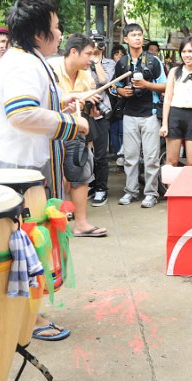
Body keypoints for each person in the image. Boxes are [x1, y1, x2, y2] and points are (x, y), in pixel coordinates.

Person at [0, 0, 87, 342]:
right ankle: (26, 316)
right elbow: (22, 113)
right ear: (40, 34)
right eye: (56, 28)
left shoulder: (24, 58)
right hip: (17, 172)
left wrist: (60, 102)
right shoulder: (23, 62)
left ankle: (26, 311)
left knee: (23, 243)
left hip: (21, 168)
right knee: (22, 244)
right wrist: (73, 123)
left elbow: (29, 104)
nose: (60, 34)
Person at [48, 35, 107, 237]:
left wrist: (88, 106)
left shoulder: (86, 75)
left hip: (74, 129)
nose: (92, 58)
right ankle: (53, 221)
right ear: (73, 52)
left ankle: (81, 224)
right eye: (88, 54)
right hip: (50, 130)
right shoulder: (50, 69)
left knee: (79, 175)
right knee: (51, 177)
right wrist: (64, 103)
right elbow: (43, 102)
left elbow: (86, 103)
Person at [114, 24, 167, 208]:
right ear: (126, 39)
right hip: (129, 114)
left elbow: (166, 86)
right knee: (130, 157)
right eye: (133, 35)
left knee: (152, 158)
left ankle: (151, 194)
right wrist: (122, 92)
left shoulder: (154, 61)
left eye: (140, 35)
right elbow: (116, 86)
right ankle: (130, 191)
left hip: (150, 114)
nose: (137, 38)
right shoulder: (122, 63)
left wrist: (146, 85)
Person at [160, 37, 192, 167]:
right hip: (175, 115)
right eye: (184, 51)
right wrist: (164, 124)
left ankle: (190, 188)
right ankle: (170, 188)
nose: (187, 55)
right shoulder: (174, 72)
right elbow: (167, 99)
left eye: (190, 51)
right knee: (171, 161)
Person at [88, 33, 115, 207]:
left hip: (101, 112)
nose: (96, 47)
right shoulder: (82, 62)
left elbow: (104, 81)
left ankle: (101, 188)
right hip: (84, 112)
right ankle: (89, 184)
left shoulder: (109, 63)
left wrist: (97, 61)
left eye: (99, 43)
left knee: (100, 153)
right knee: (82, 153)